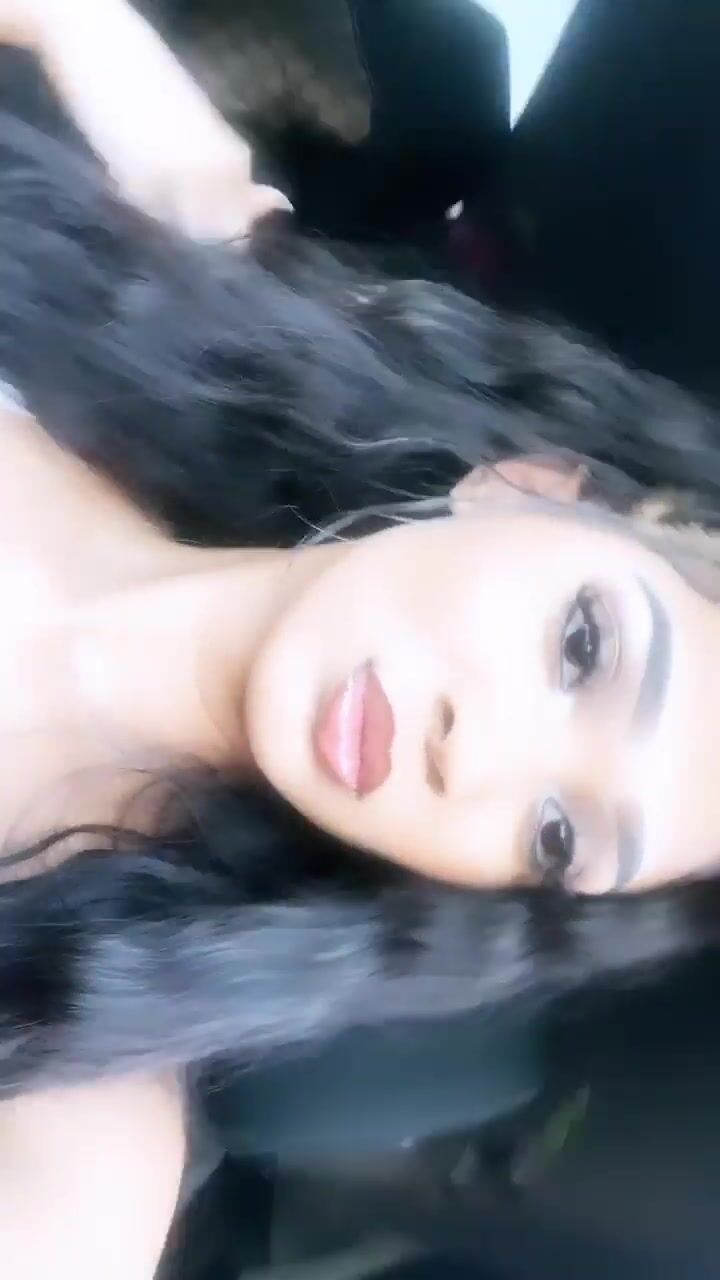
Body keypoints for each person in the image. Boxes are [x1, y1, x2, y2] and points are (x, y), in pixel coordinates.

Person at [2, 1, 720, 1276]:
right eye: (584, 649)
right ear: (526, 487)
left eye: (557, 834)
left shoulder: (79, 1133)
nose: (474, 755)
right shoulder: (130, 250)